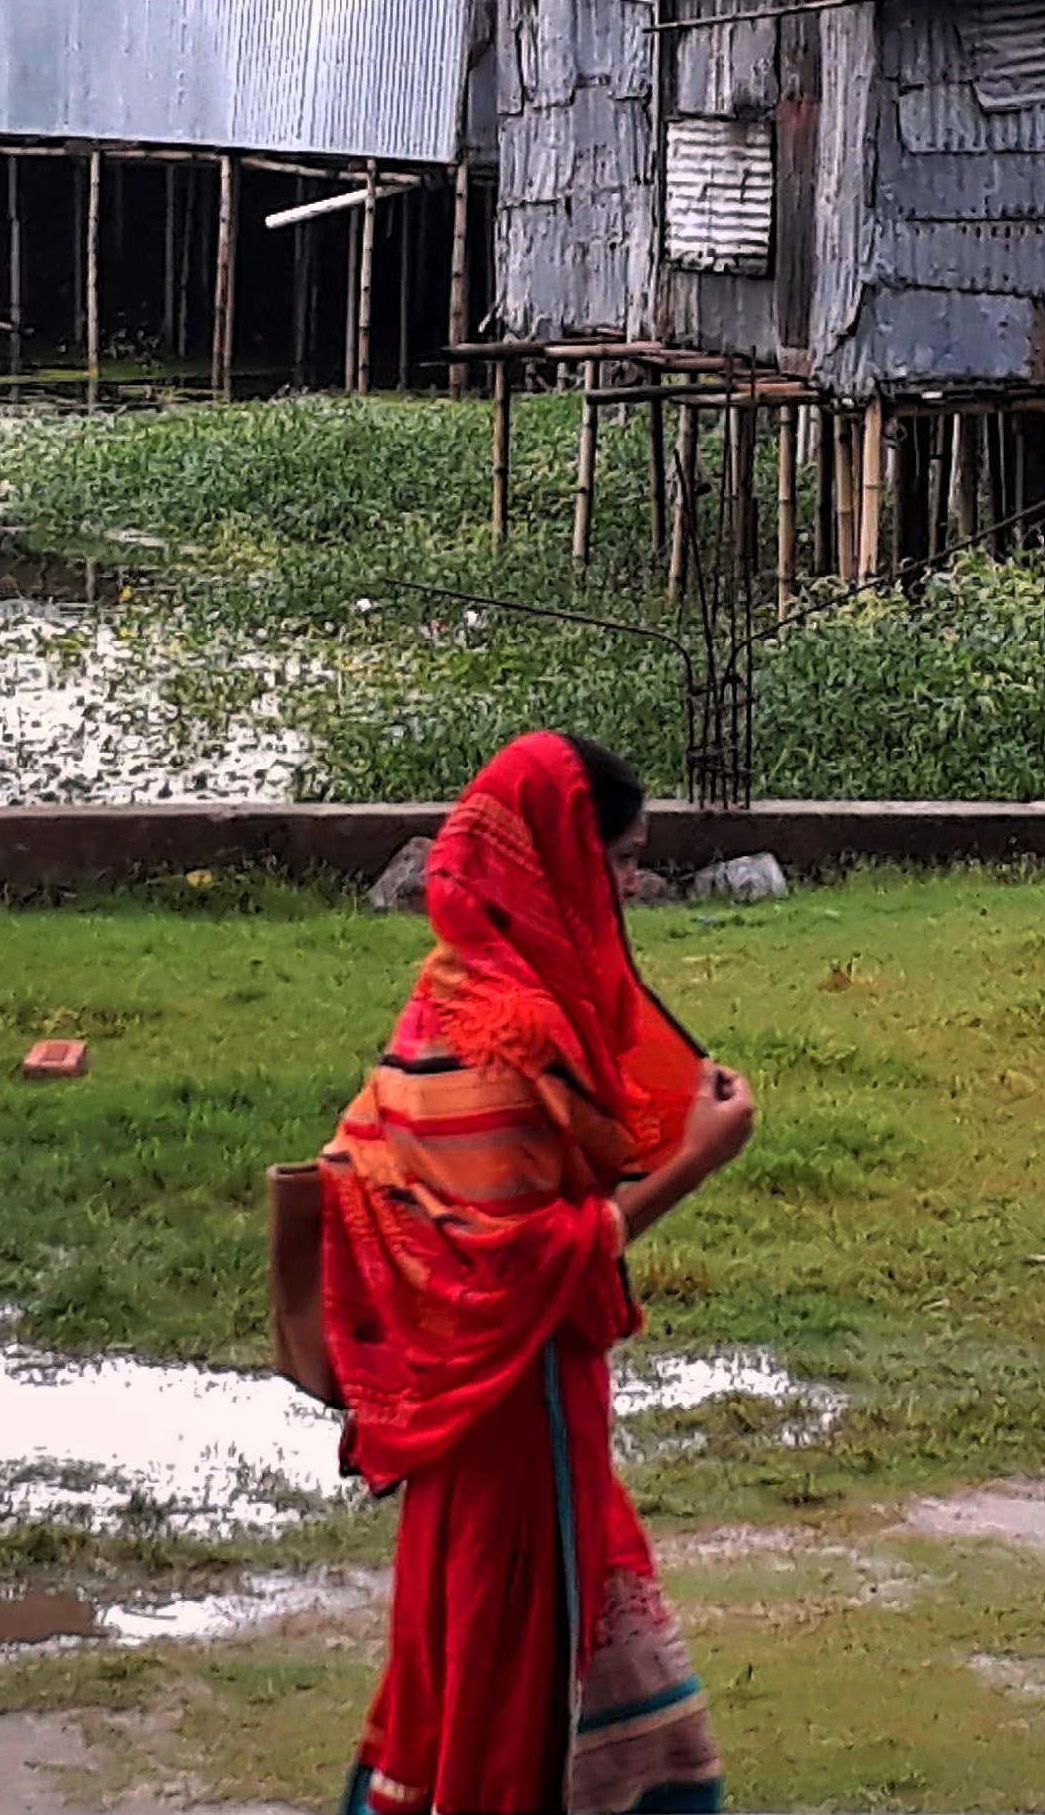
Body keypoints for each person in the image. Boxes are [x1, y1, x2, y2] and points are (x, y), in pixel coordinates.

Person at [321, 730, 755, 1815]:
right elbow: (531, 1260)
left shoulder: (446, 990)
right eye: (616, 861)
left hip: (476, 1417)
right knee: (515, 1664)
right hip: (515, 1425)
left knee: (464, 1644)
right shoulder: (512, 1032)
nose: (626, 885)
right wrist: (695, 1160)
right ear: (561, 857)